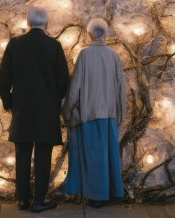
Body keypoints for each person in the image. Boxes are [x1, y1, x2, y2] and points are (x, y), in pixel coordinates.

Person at [0, 6, 70, 213]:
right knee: (43, 156)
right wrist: (56, 99)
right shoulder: (54, 46)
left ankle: (22, 199)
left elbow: (4, 79)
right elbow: (63, 80)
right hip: (47, 109)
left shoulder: (15, 44)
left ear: (28, 22)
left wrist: (9, 102)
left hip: (22, 108)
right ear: (46, 23)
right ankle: (39, 200)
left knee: (22, 154)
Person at [62, 18, 127, 208]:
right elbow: (120, 88)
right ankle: (111, 192)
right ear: (105, 34)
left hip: (88, 114)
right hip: (109, 115)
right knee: (109, 156)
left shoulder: (84, 55)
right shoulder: (114, 57)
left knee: (92, 156)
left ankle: (96, 196)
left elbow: (75, 88)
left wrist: (66, 111)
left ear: (89, 34)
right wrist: (120, 115)